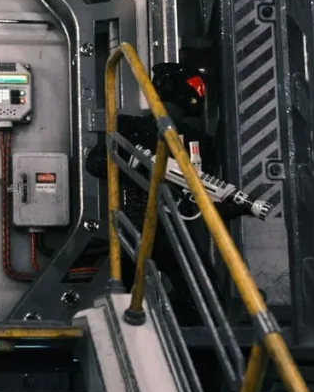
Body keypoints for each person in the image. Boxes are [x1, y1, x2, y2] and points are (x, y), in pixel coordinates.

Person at [86, 63, 247, 324]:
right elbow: (95, 164)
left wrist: (230, 204)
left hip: (169, 226)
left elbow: (203, 191)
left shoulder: (197, 141)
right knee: (122, 293)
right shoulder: (128, 127)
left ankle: (171, 326)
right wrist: (137, 163)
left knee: (203, 296)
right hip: (134, 225)